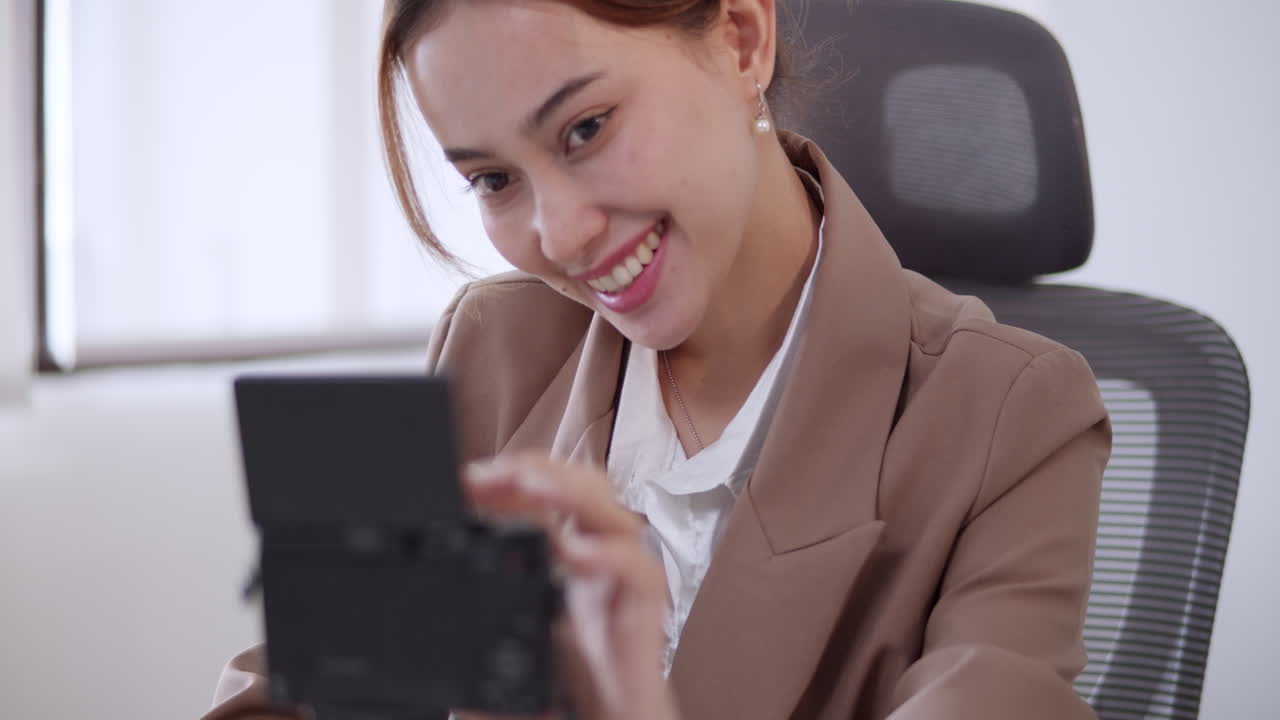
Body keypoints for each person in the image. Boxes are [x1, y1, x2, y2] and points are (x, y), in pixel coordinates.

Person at [203, 1, 1111, 718]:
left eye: (585, 129)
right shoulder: (495, 346)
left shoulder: (1012, 417)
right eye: (492, 179)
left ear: (741, 41)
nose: (558, 236)